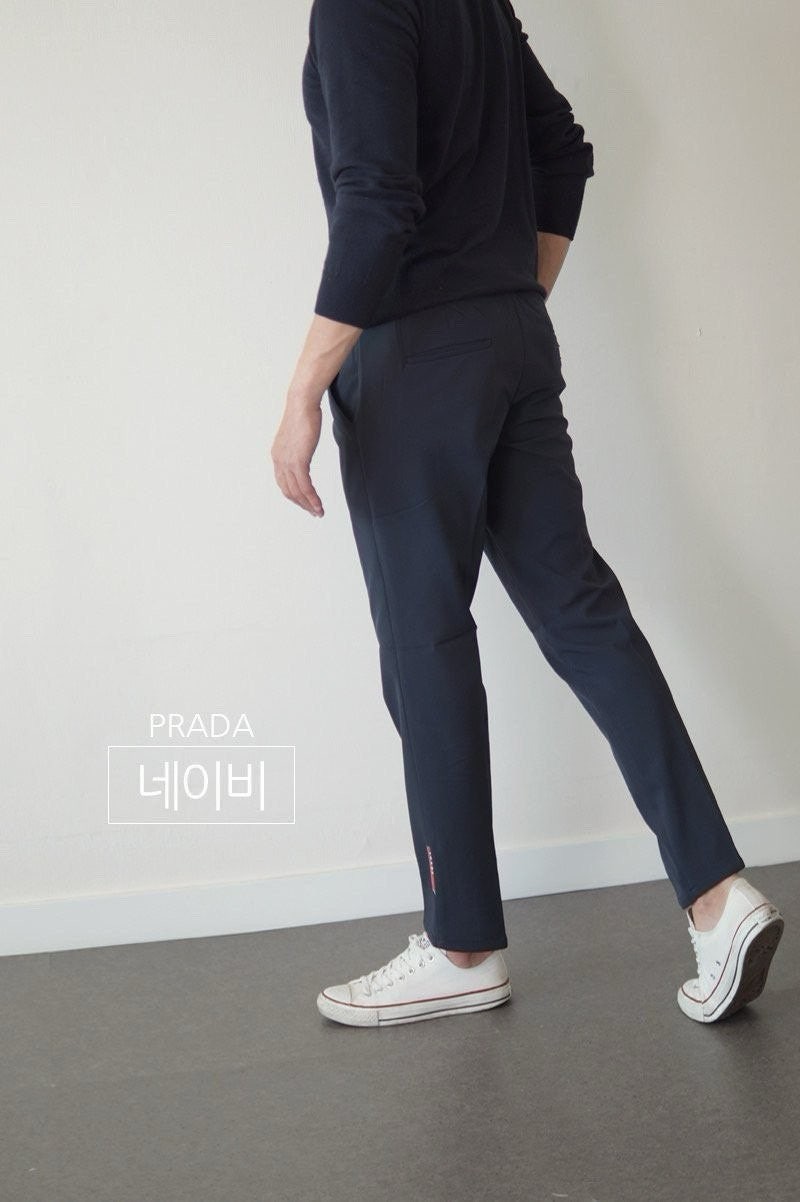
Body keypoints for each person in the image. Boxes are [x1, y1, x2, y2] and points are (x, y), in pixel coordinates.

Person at [271, 0, 784, 1028]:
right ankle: (716, 892)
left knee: (424, 642)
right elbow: (563, 149)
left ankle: (462, 944)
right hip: (510, 338)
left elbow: (377, 199)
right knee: (581, 613)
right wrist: (511, 293)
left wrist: (301, 391)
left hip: (414, 356)